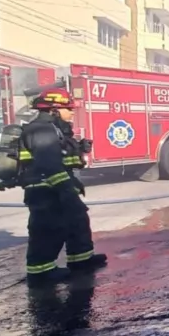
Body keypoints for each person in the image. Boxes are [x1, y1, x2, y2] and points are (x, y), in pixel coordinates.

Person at [19, 88, 106, 286]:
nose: (72, 112)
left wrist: (79, 150)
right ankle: (40, 273)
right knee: (48, 229)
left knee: (77, 221)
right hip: (44, 190)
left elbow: (64, 160)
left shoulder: (55, 129)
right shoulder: (40, 130)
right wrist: (67, 192)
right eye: (68, 108)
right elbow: (49, 166)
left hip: (58, 187)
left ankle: (81, 260)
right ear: (53, 109)